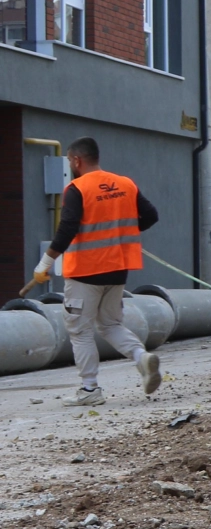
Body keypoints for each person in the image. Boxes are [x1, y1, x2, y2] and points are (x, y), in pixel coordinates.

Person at [32, 136, 163, 407]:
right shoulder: (126, 184)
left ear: (77, 160)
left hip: (85, 272)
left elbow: (67, 228)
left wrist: (44, 263)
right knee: (111, 324)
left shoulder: (76, 189)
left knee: (80, 330)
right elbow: (151, 216)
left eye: (70, 160)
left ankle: (90, 389)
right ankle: (141, 357)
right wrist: (121, 234)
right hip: (118, 269)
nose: (71, 165)